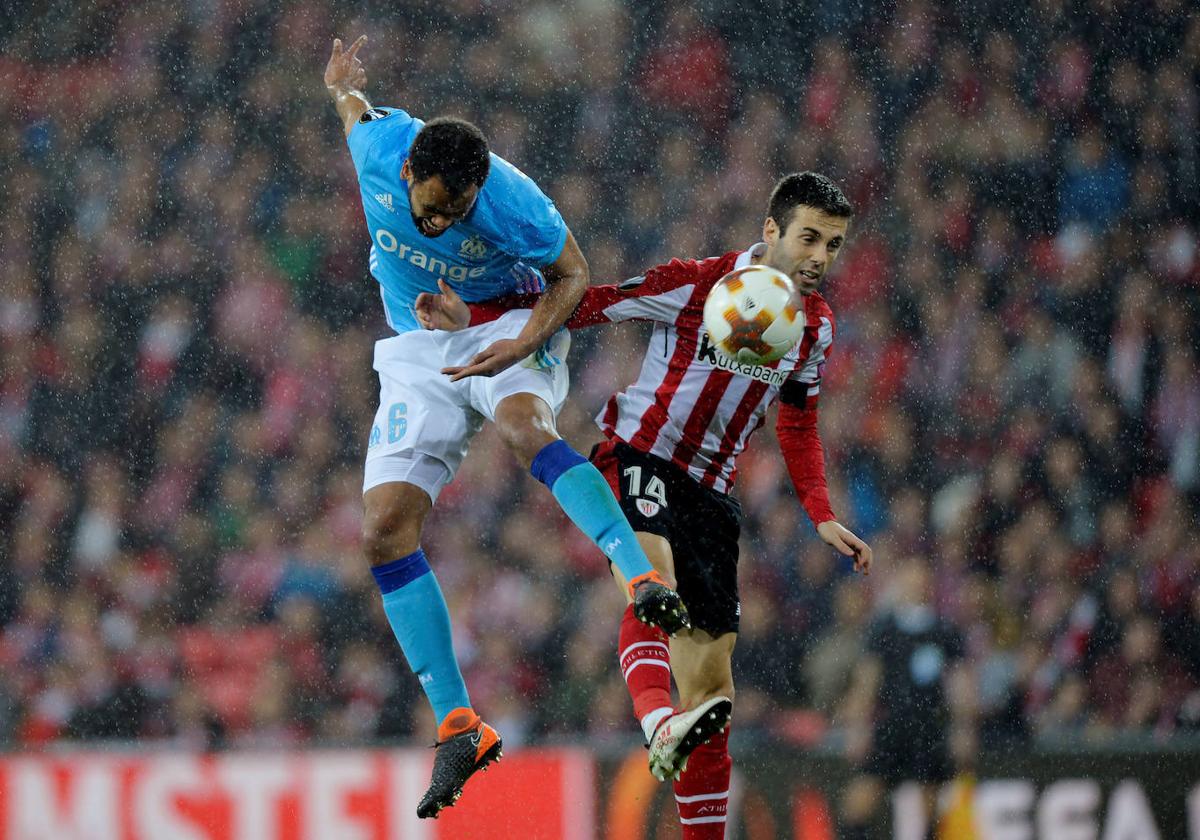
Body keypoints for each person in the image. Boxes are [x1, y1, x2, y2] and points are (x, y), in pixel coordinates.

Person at [417, 171, 873, 839]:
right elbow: (584, 302)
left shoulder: (815, 327)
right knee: (651, 585)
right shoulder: (697, 284)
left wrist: (821, 511)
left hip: (713, 499)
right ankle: (657, 721)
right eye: (808, 238)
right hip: (640, 457)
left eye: (832, 246)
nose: (818, 258)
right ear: (770, 230)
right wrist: (479, 318)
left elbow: (798, 422)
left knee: (714, 694)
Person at [323, 35, 688, 819]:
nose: (447, 222)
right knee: (384, 529)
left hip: (513, 321)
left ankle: (640, 574)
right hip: (420, 342)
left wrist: (521, 343)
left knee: (525, 425)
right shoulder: (378, 148)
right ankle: (459, 724)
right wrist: (342, 86)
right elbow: (351, 108)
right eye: (434, 208)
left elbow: (573, 276)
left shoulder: (513, 200)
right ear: (409, 173)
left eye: (459, 211)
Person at [839, 556, 971, 840]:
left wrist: (963, 728)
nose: (916, 582)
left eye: (921, 575)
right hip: (892, 725)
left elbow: (959, 684)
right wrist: (858, 728)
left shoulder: (944, 630)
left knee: (931, 807)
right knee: (858, 803)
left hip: (930, 727)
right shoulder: (884, 628)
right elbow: (867, 681)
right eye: (910, 574)